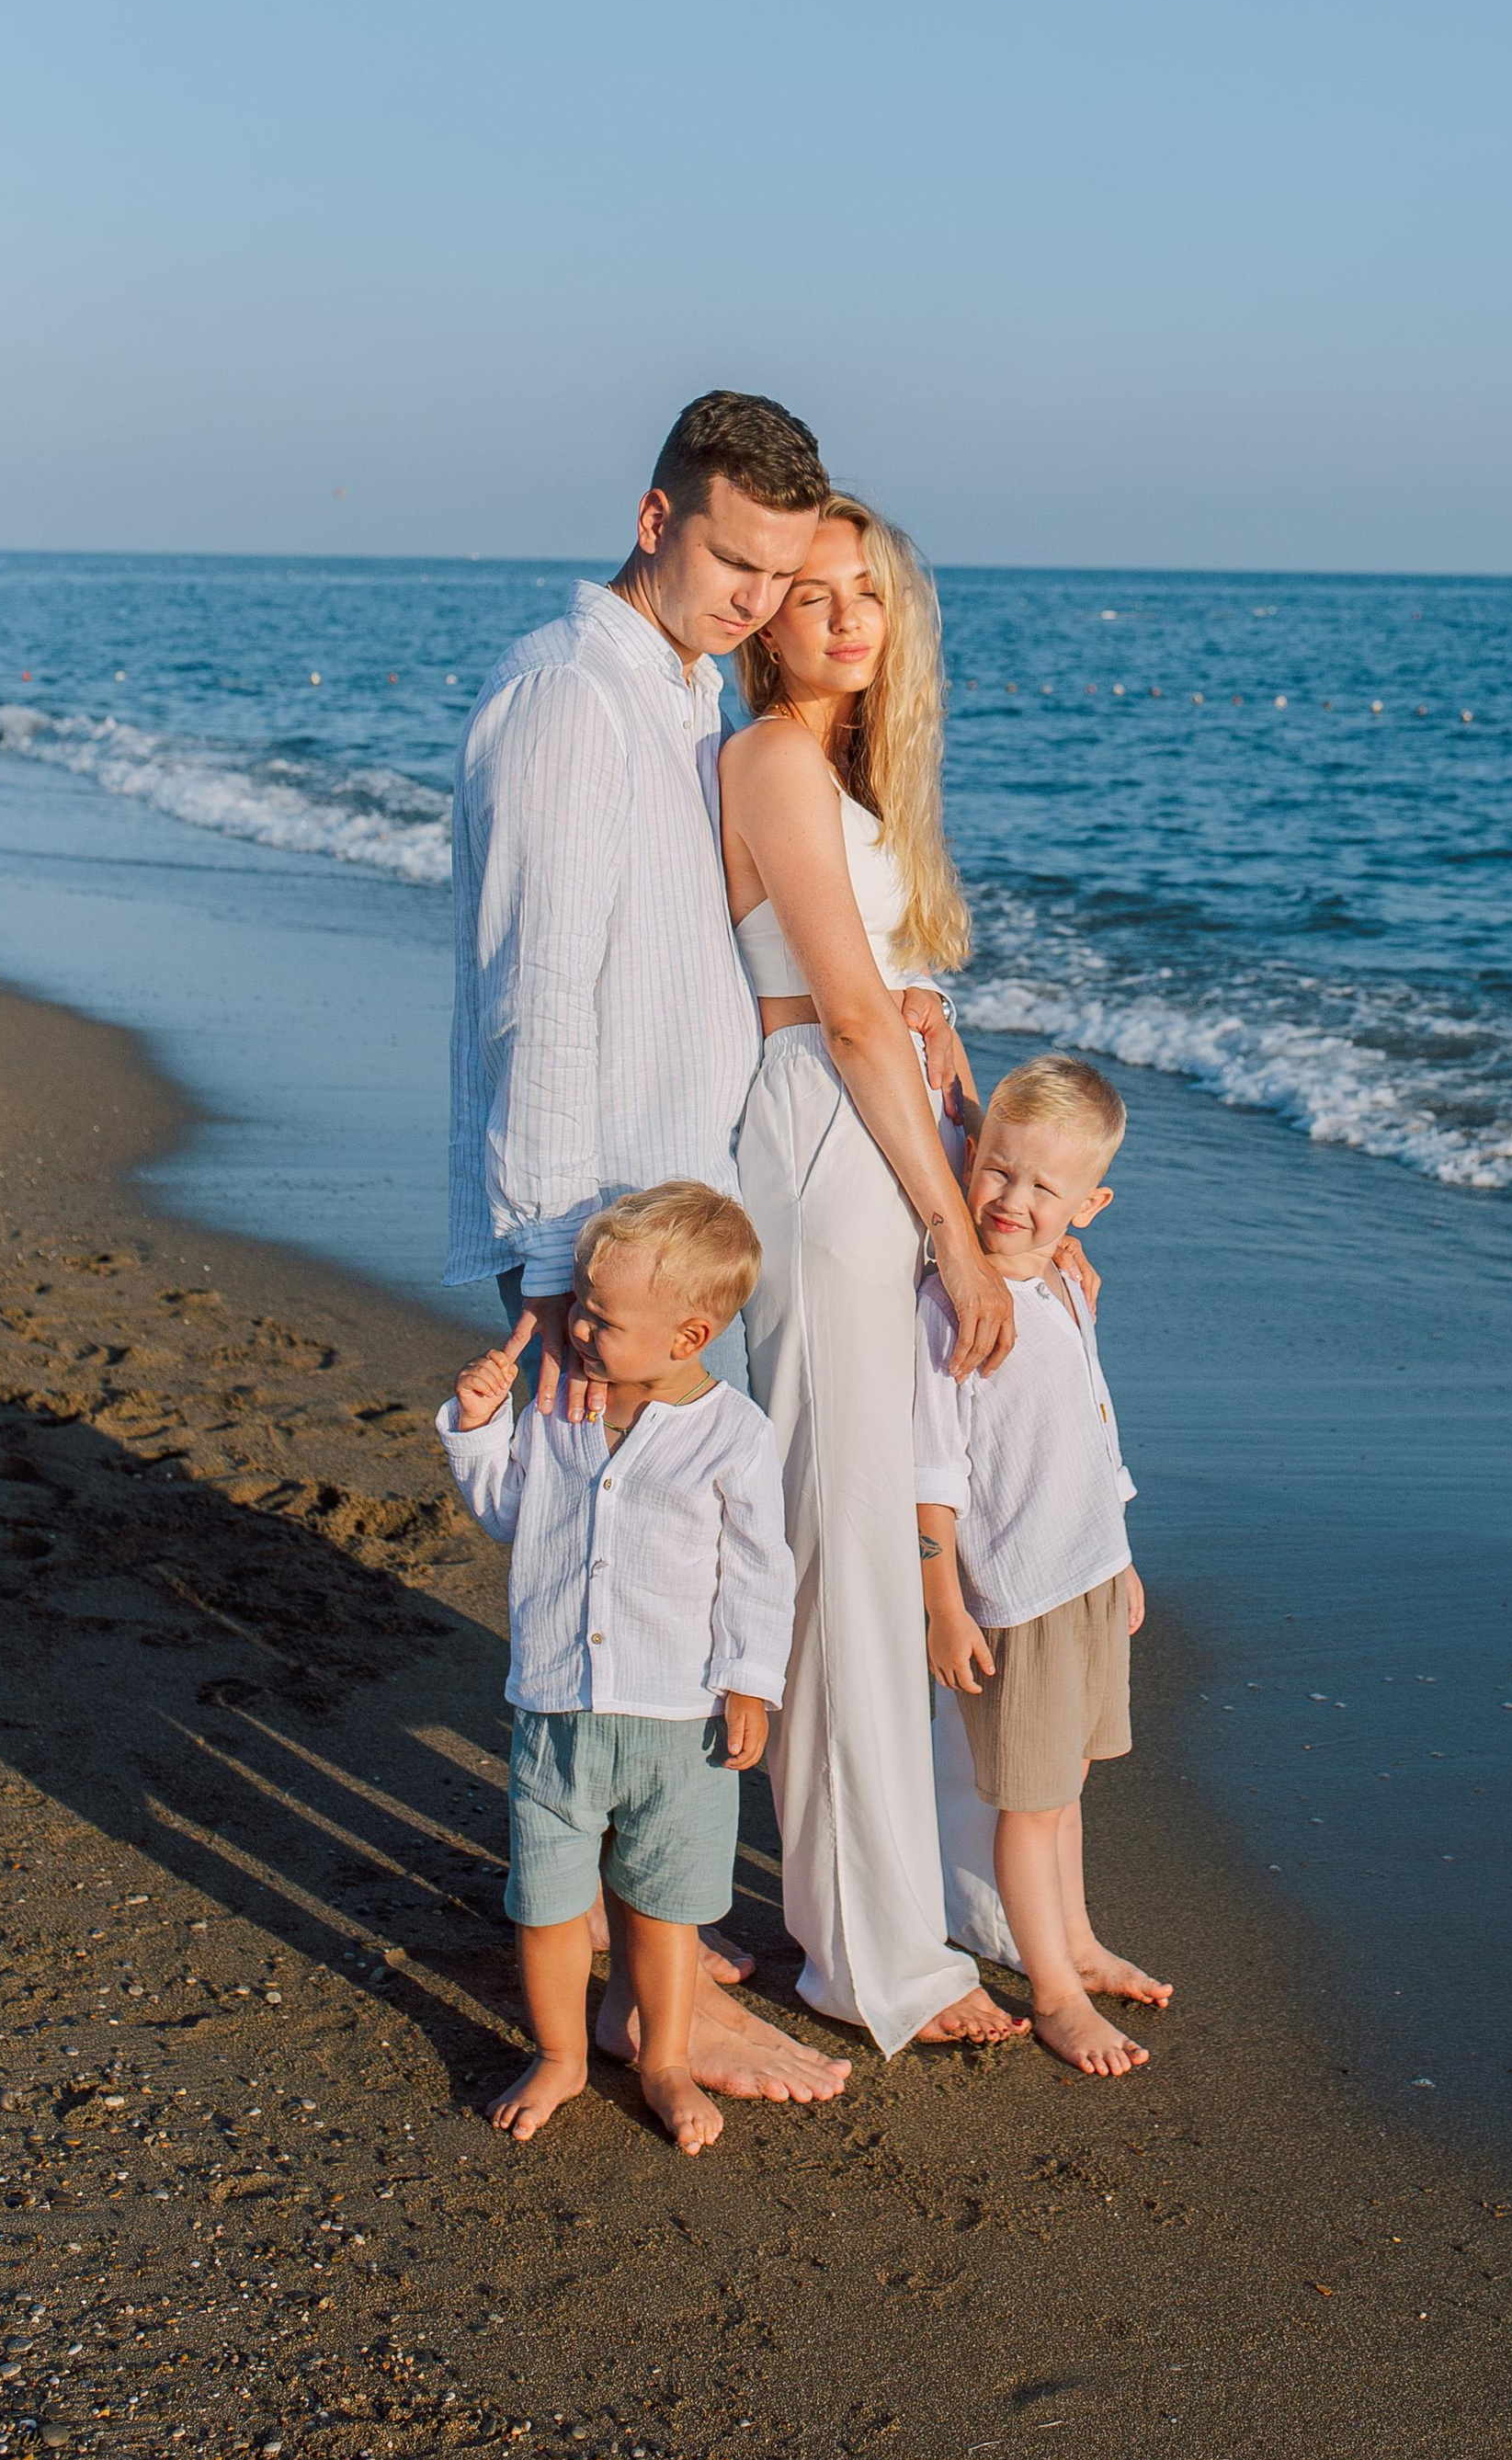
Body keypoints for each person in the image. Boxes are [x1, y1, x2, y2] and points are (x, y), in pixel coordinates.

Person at [448, 389, 948, 2106]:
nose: (752, 599)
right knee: (630, 1643)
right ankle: (658, 2018)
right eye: (732, 559)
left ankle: (658, 1972)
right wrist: (559, 1284)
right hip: (618, 1253)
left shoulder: (673, 700)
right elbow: (537, 1005)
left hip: (688, 1222)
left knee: (667, 1624)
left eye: (778, 573)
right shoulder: (566, 703)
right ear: (653, 517)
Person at [721, 497, 1032, 2054]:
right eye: (814, 593)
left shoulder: (842, 774)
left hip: (862, 1130)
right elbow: (837, 1013)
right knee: (841, 1552)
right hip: (821, 1140)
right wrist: (961, 1240)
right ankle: (867, 1959)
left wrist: (928, 1006)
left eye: (872, 593)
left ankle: (884, 1917)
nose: (849, 618)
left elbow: (879, 990)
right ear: (764, 616)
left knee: (851, 1532)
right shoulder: (773, 758)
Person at [437, 1183, 794, 2156]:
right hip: (555, 1709)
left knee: (663, 1909)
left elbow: (761, 1570)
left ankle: (665, 2058)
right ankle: (559, 2054)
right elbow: (512, 1516)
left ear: (689, 1335)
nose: (578, 1326)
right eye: (581, 1306)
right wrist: (478, 1429)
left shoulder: (733, 1435)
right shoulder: (557, 1406)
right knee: (549, 1903)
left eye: (601, 1317)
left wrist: (751, 1679)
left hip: (678, 1720)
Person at [914, 1053, 1173, 2076]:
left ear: (1090, 1205)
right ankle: (1054, 1993)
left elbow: (1094, 1424)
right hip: (1013, 1594)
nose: (1013, 1200)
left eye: (1045, 1187)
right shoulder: (951, 1302)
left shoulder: (1066, 1285)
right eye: (998, 1171)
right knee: (1024, 1801)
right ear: (969, 1158)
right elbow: (929, 1464)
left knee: (1064, 1786)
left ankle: (1075, 1939)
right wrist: (942, 1600)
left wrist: (1122, 1552)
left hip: (1090, 1576)